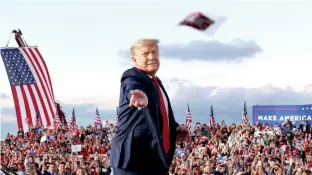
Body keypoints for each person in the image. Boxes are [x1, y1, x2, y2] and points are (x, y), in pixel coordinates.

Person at [110, 38, 188, 175]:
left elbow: (161, 116)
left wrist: (175, 128)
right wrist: (137, 94)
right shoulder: (132, 75)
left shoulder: (157, 83)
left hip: (155, 161)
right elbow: (132, 86)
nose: (152, 57)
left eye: (154, 52)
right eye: (146, 54)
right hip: (133, 161)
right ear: (134, 60)